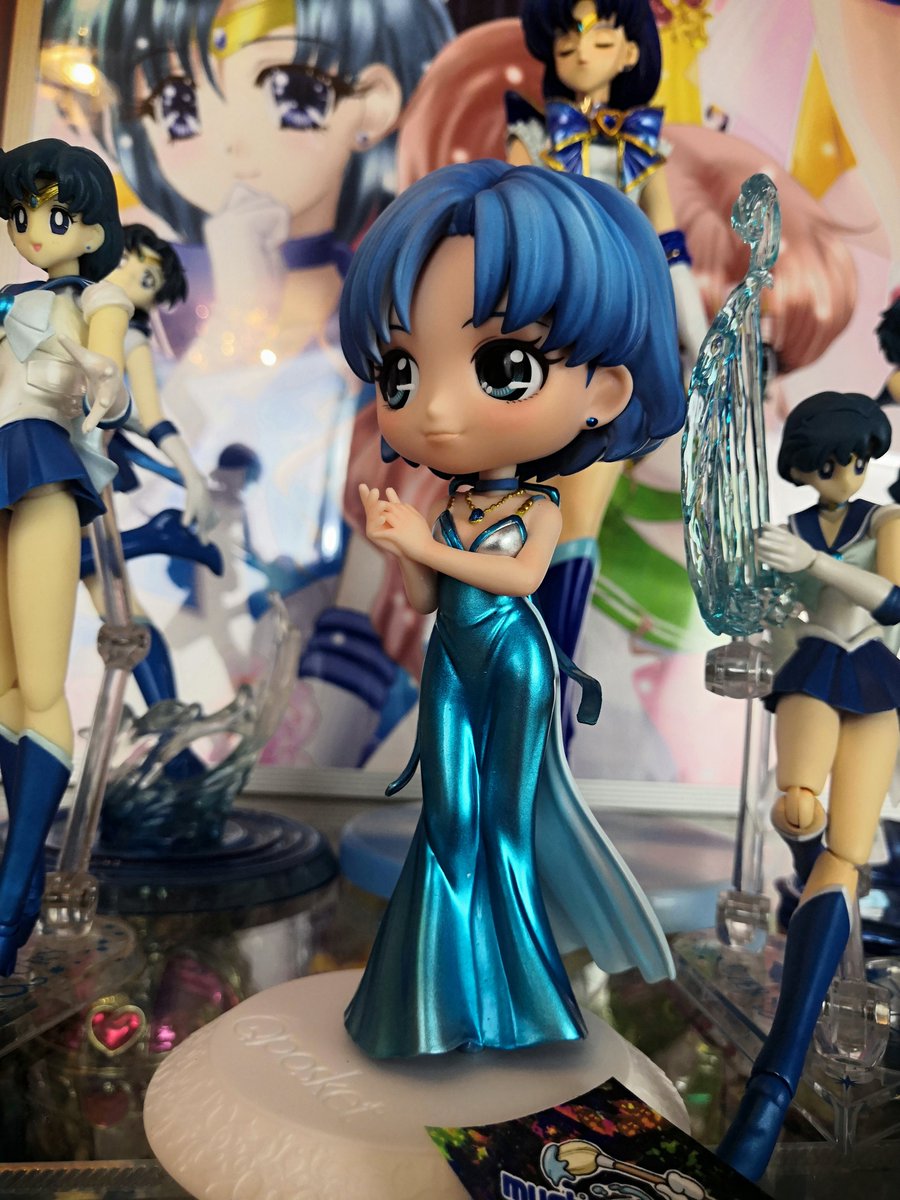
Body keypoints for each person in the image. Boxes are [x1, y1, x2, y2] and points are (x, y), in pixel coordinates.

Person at [43, 0, 456, 764]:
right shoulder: (138, 301)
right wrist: (232, 321)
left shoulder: (393, 312)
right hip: (148, 653)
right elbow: (122, 483)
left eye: (288, 91)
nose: (233, 140)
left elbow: (396, 494)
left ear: (373, 101)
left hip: (327, 673)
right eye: (177, 104)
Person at [339, 159, 685, 1058]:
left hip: (516, 663)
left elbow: (521, 581)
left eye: (503, 365)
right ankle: (428, 1002)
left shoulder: (537, 508)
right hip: (451, 662)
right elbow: (428, 597)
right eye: (401, 371)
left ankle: (522, 1008)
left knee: (504, 824)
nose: (434, 409)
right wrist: (400, 549)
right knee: (446, 819)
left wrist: (421, 545)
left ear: (603, 394)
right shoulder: (448, 510)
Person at [718, 391, 900, 1180]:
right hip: (812, 669)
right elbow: (768, 613)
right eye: (830, 464)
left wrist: (814, 566)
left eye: (855, 461)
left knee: (847, 856)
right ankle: (804, 872)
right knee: (797, 809)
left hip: (878, 679)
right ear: (804, 467)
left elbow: (894, 600)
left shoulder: (886, 521)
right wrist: (750, 582)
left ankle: (774, 1082)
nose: (846, 475)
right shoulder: (786, 530)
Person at [0, 138, 131, 973]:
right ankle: (15, 898)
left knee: (42, 687)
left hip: (43, 467)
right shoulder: (6, 297)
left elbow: (112, 376)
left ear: (91, 227)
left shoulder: (98, 296)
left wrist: (100, 377)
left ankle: (12, 899)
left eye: (51, 215)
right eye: (20, 215)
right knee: (5, 688)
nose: (31, 230)